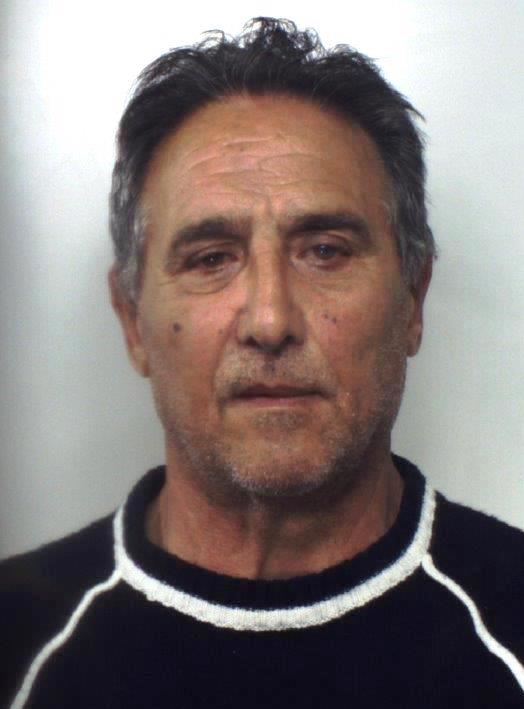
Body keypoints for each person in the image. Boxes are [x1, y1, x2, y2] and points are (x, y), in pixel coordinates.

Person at [1, 17, 523, 709]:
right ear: (131, 319)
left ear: (413, 301)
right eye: (211, 258)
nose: (271, 321)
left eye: (326, 251)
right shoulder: (19, 644)